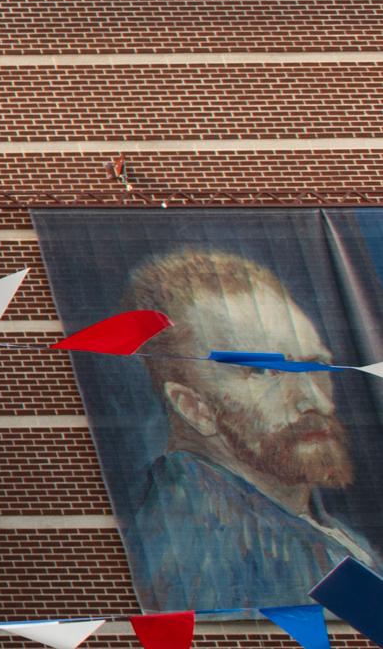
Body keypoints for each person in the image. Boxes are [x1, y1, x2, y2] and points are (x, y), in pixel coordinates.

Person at [118, 248, 381, 608]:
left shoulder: (321, 532)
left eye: (316, 364)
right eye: (263, 371)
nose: (317, 402)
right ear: (194, 408)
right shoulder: (199, 552)